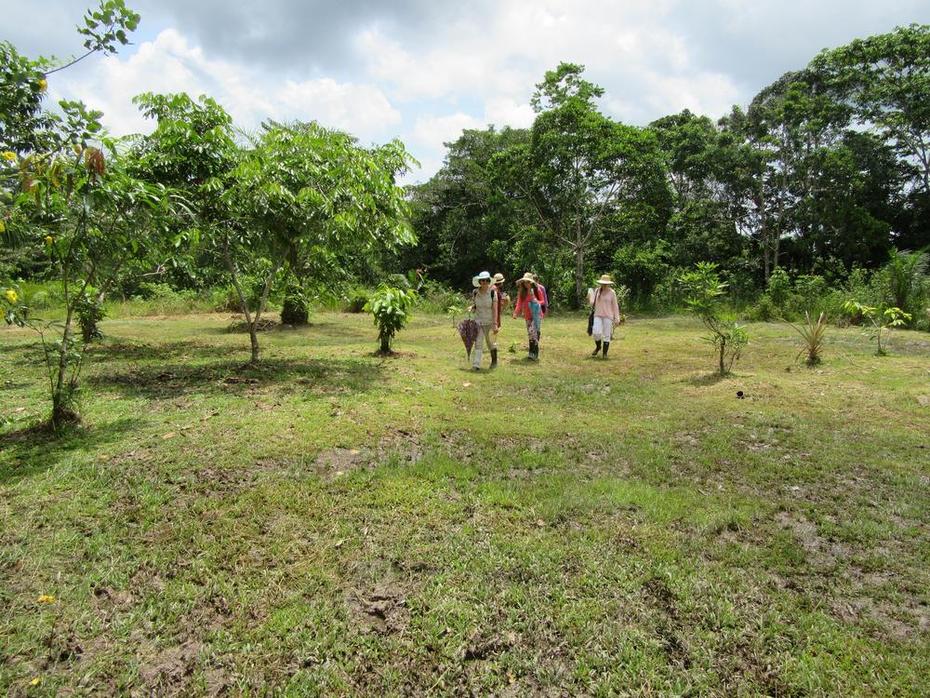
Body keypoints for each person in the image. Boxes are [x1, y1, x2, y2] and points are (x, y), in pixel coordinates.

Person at [469, 271, 499, 370]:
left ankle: (494, 362)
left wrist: (495, 324)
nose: (484, 282)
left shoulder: (492, 293)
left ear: (489, 281)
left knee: (491, 343)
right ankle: (476, 364)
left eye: (486, 280)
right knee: (478, 342)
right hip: (478, 321)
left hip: (490, 322)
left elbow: (495, 309)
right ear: (479, 281)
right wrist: (472, 308)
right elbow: (475, 306)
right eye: (482, 280)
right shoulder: (475, 293)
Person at [512, 272, 545, 361]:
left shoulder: (537, 290)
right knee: (530, 334)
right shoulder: (522, 292)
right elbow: (519, 303)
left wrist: (536, 301)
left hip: (536, 315)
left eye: (528, 282)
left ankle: (535, 352)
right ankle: (531, 353)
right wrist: (516, 313)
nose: (526, 284)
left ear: (531, 282)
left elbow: (543, 301)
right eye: (525, 282)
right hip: (527, 316)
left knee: (534, 332)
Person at [589, 274, 622, 358]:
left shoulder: (612, 292)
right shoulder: (597, 291)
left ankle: (604, 354)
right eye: (603, 283)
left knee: (607, 335)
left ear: (608, 284)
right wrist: (590, 295)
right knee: (596, 332)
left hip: (608, 316)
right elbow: (592, 303)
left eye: (605, 283)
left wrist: (617, 318)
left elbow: (615, 306)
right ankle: (598, 347)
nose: (604, 285)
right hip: (598, 315)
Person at [491, 273, 509, 358]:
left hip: (493, 310)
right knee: (494, 328)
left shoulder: (493, 288)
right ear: (501, 282)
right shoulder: (495, 289)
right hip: (494, 311)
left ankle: (493, 342)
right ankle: (493, 344)